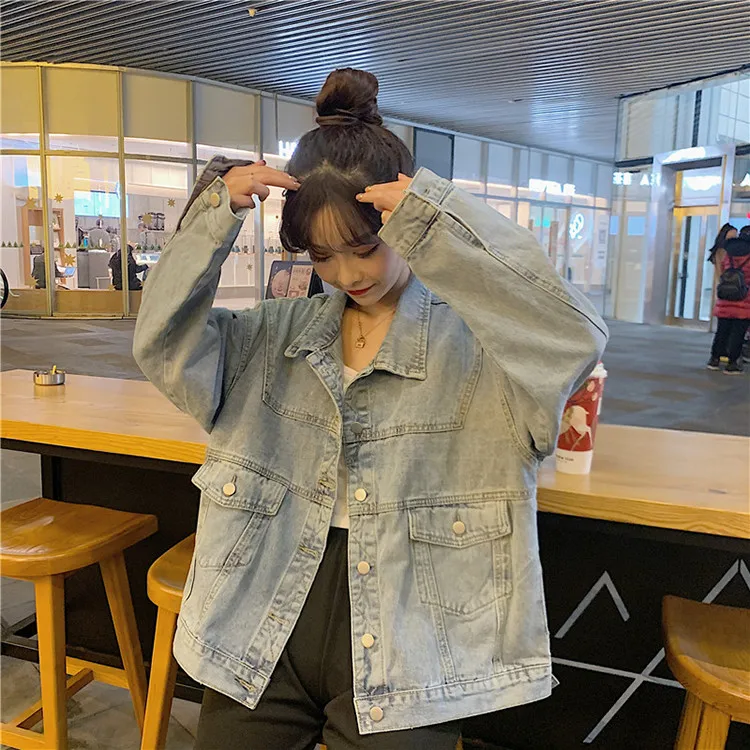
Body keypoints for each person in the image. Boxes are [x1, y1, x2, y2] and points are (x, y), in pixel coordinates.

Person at [133, 68, 607, 750]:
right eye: (323, 256)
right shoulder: (273, 336)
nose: (349, 275)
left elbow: (573, 339)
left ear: (401, 224)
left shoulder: (483, 350)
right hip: (264, 606)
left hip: (417, 634)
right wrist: (212, 216)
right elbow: (163, 346)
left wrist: (441, 221)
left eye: (366, 248)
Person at [708, 224, 750, 374]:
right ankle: (732, 364)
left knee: (722, 331)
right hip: (744, 300)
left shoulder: (729, 255)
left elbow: (724, 272)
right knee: (737, 333)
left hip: (726, 298)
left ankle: (714, 359)